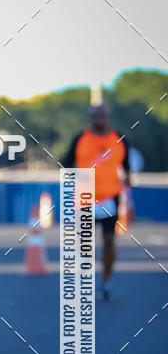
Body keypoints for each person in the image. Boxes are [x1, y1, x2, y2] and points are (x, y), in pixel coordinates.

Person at [63, 104, 130, 300]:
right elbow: (66, 162)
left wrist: (128, 179)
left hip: (110, 197)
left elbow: (126, 166)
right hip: (84, 198)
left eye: (103, 115)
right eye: (96, 115)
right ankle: (84, 275)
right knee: (84, 243)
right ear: (91, 118)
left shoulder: (119, 139)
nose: (99, 118)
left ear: (108, 117)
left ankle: (106, 282)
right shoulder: (80, 139)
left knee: (109, 241)